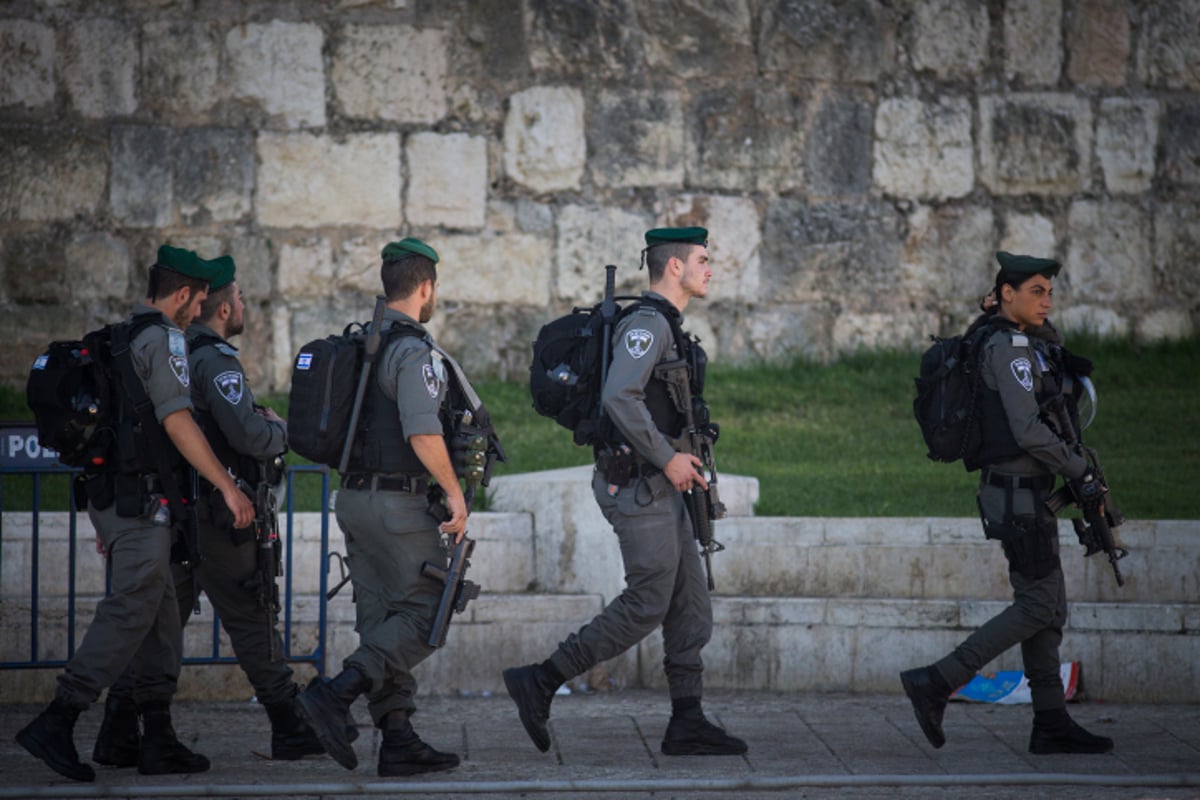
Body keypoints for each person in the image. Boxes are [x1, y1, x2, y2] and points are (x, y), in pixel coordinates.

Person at [502, 226, 747, 758]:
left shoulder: (670, 327)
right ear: (674, 267)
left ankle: (688, 720)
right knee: (648, 601)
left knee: (690, 605)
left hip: (661, 484)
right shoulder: (647, 325)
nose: (710, 269)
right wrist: (666, 456)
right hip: (636, 483)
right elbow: (619, 396)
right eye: (703, 259)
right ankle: (542, 680)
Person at [16, 245, 255, 782]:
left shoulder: (119, 337)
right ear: (183, 295)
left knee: (162, 620)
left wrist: (112, 523)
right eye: (195, 301)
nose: (198, 312)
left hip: (121, 504)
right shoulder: (164, 339)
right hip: (141, 506)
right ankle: (59, 718)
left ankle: (158, 737)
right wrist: (229, 488)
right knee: (130, 610)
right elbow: (177, 422)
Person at [90, 255, 327, 766]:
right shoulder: (213, 358)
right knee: (251, 614)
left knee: (159, 622)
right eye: (239, 298)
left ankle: (119, 729)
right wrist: (282, 429)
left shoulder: (167, 347)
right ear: (220, 308)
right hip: (220, 516)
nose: (244, 306)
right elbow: (247, 432)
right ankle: (288, 724)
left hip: (173, 513)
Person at [294, 237, 499, 777]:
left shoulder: (364, 345)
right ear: (426, 286)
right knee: (427, 608)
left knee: (382, 617)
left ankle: (398, 736)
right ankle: (335, 695)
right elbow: (423, 430)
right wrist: (454, 493)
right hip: (397, 505)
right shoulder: (412, 351)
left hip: (355, 499)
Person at [900, 251, 1114, 755]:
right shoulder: (1010, 348)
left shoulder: (1019, 341)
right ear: (1006, 294)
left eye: (1050, 292)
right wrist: (1078, 467)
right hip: (1016, 495)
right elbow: (1027, 430)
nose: (1046, 301)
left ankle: (1050, 722)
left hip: (1023, 493)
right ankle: (937, 680)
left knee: (1049, 606)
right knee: (1039, 602)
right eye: (1036, 291)